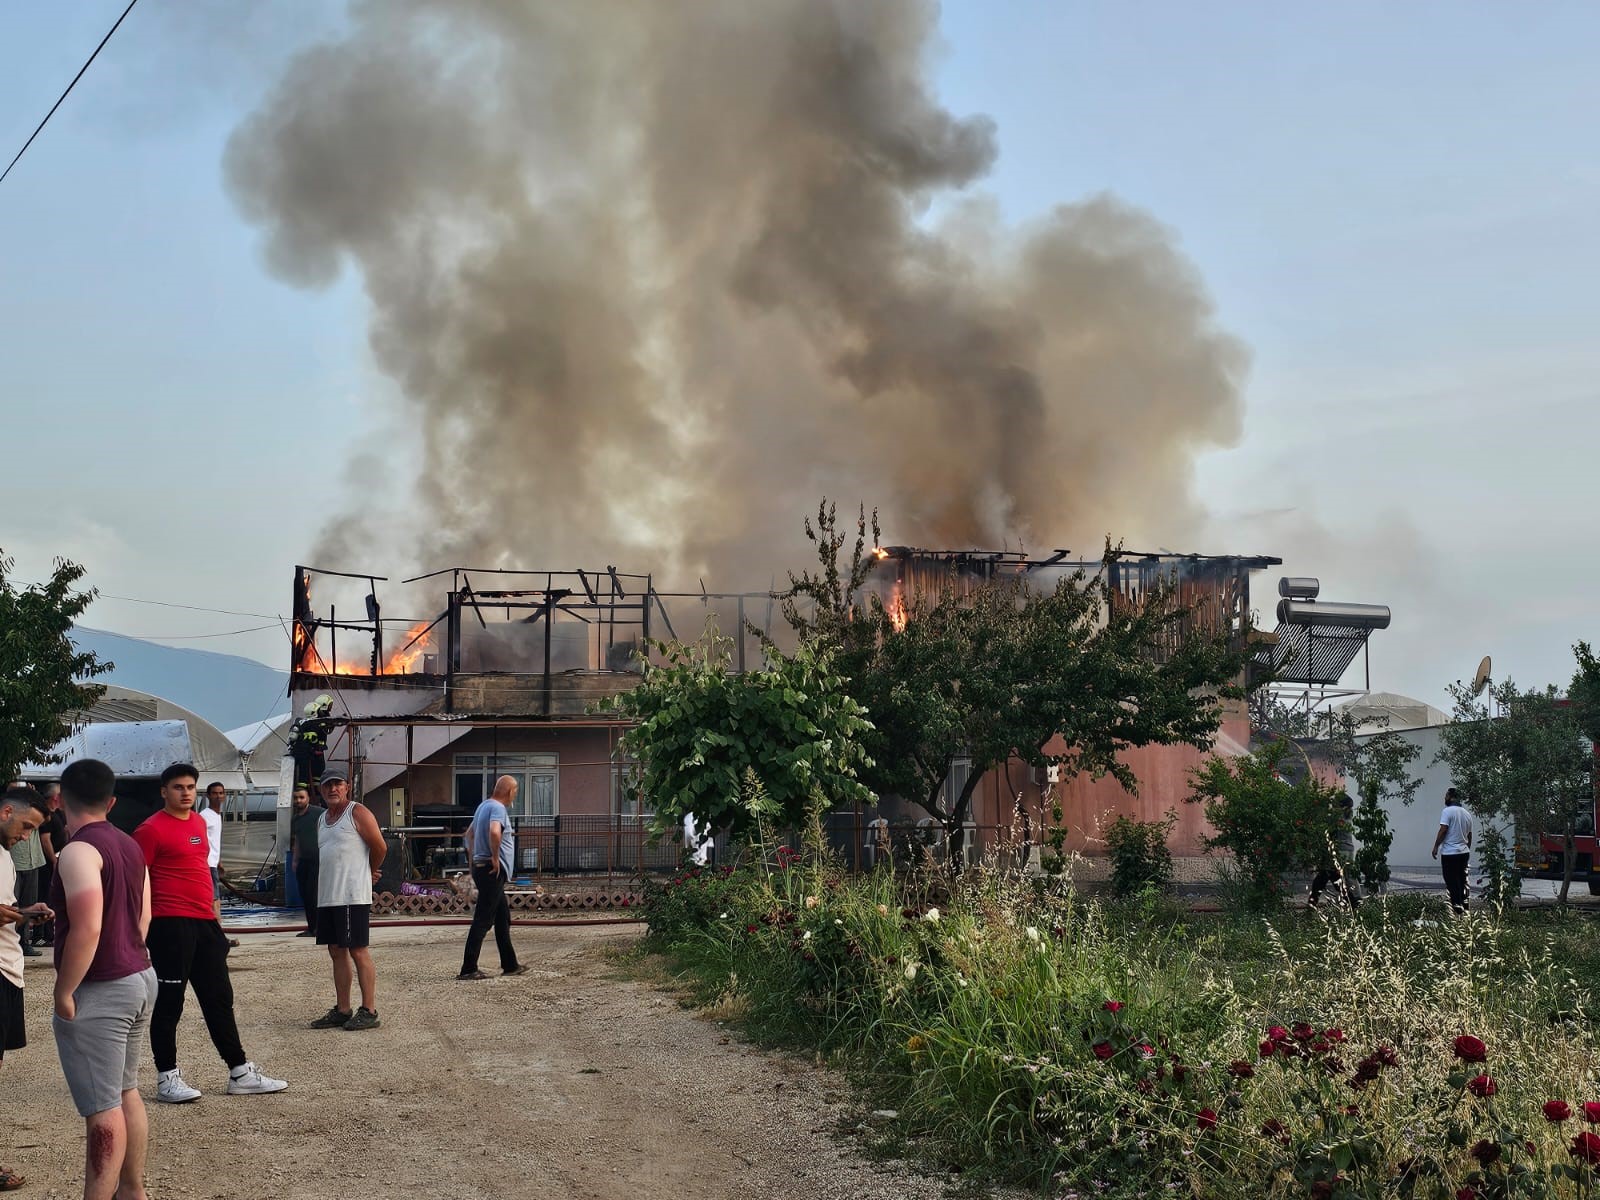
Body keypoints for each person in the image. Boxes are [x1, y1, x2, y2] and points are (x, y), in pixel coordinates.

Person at [132, 764, 287, 1104]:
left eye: (190, 787)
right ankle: (166, 1078)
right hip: (169, 925)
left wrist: (215, 921)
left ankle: (240, 1072)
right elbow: (135, 882)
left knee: (219, 999)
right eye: (177, 787)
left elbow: (201, 871)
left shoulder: (200, 823)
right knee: (170, 1004)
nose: (185, 793)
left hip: (204, 923)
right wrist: (138, 930)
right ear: (163, 791)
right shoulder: (150, 830)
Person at [50, 759, 157, 1200]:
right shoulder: (130, 845)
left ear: (58, 802)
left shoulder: (77, 851)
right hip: (138, 973)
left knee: (102, 1108)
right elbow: (144, 915)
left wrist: (64, 990)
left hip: (102, 988)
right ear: (111, 801)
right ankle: (131, 1191)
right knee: (125, 1091)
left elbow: (88, 927)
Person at [0, 786, 54, 1191]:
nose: (25, 836)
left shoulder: (4, 857)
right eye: (26, 826)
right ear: (6, 812)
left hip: (8, 969)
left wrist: (22, 913)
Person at [310, 770, 386, 1031]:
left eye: (337, 784)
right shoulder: (322, 820)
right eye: (327, 785)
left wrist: (368, 871)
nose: (332, 789)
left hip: (351, 895)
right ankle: (343, 1009)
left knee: (357, 949)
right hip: (329, 896)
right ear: (320, 790)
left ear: (346, 788)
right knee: (336, 950)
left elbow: (380, 847)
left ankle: (369, 1010)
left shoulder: (357, 812)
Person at [458, 777, 526, 981]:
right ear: (510, 791)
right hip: (491, 870)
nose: (515, 795)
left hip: (482, 868)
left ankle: (510, 964)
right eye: (515, 791)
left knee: (502, 917)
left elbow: (469, 835)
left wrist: (472, 862)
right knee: (483, 919)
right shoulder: (497, 808)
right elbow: (495, 832)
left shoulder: (483, 807)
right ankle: (468, 968)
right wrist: (495, 858)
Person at [1309, 794, 1360, 909]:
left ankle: (1354, 904)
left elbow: (1326, 831)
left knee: (1328, 879)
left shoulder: (1338, 817)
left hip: (1338, 852)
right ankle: (1354, 904)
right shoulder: (1346, 816)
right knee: (1324, 879)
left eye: (1334, 804)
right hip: (1345, 852)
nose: (1332, 806)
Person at [8, 815, 45, 958]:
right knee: (12, 904)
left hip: (33, 860)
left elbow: (44, 820)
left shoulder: (34, 806)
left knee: (29, 904)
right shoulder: (11, 805)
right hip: (15, 860)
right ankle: (11, 943)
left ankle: (25, 943)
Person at [289, 785, 324, 938]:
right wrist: (295, 860)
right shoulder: (295, 819)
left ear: (308, 798)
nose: (298, 800)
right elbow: (297, 840)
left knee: (313, 894)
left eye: (301, 797)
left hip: (319, 860)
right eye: (296, 798)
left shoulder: (319, 813)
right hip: (304, 861)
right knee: (305, 894)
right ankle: (311, 928)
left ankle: (319, 928)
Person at [1432, 787, 1474, 913]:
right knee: (1462, 879)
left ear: (1451, 797)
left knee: (1451, 880)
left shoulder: (1447, 811)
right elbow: (1469, 835)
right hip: (1463, 852)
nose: (1445, 798)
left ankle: (1457, 908)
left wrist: (1436, 846)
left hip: (1450, 853)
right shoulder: (1467, 814)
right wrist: (1466, 848)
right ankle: (1465, 907)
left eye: (1446, 796)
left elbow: (1443, 830)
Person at [37, 782, 67, 948]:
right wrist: (54, 861)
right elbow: (45, 840)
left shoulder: (58, 814)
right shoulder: (46, 815)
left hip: (58, 859)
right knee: (46, 897)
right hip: (49, 864)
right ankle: (43, 935)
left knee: (53, 897)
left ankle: (50, 933)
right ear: (56, 797)